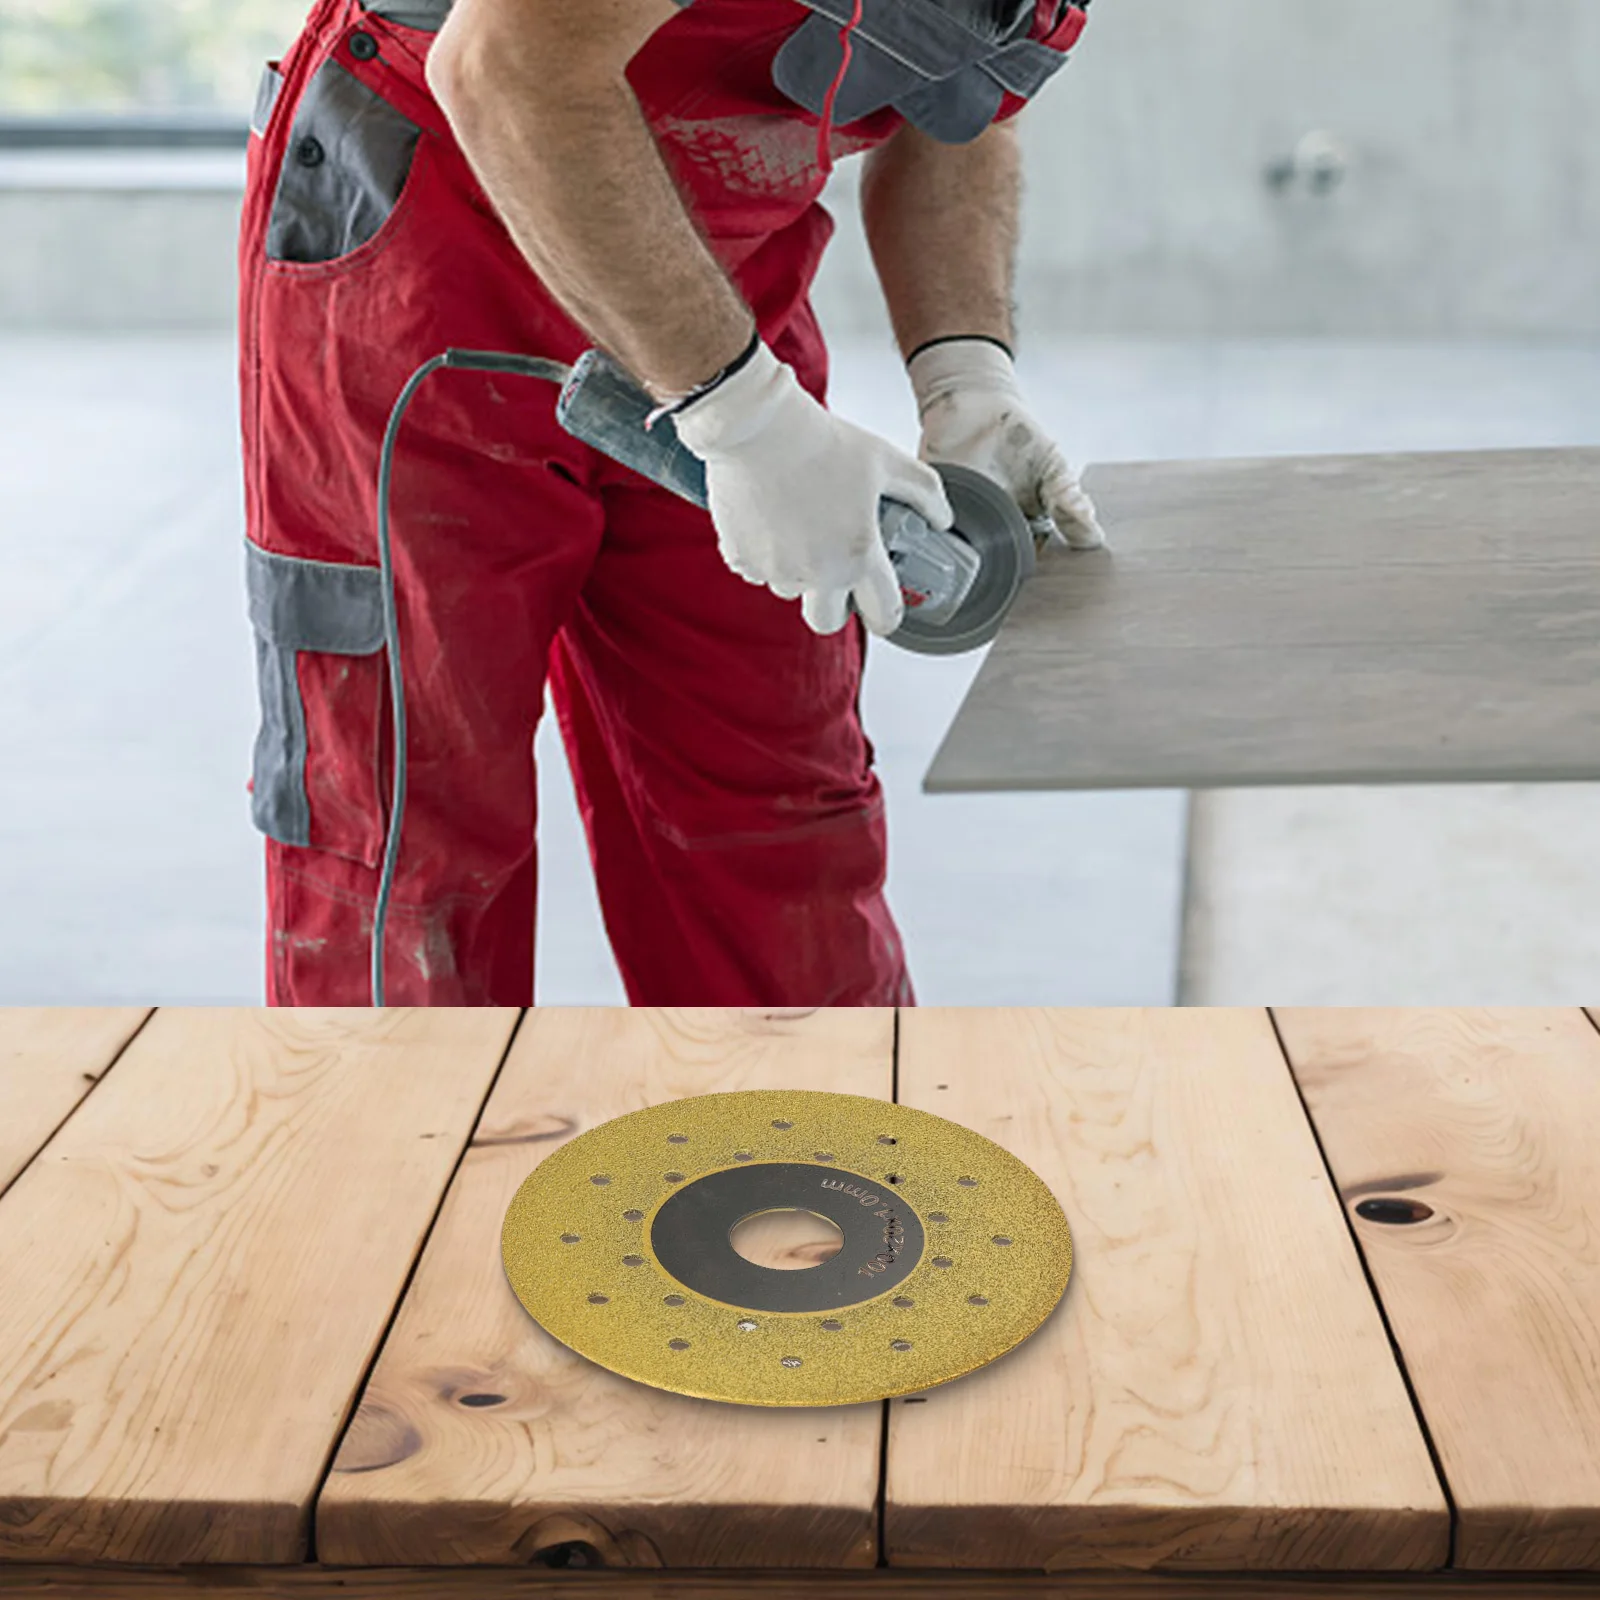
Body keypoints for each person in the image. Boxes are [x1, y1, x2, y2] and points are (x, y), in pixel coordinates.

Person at [239, 0, 1104, 1006]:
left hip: (711, 283)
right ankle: (409, 1157)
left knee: (776, 817)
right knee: (407, 843)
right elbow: (507, 68)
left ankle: (815, 1149)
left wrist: (965, 375)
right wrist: (744, 419)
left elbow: (960, 107)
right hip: (435, 246)